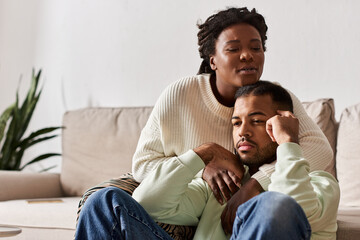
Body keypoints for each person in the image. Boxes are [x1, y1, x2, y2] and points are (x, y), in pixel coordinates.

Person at [75, 81, 339, 239]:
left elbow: (295, 209)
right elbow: (149, 204)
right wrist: (203, 154)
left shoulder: (321, 184)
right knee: (105, 202)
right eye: (237, 122)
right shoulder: (224, 185)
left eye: (257, 121)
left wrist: (288, 143)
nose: (243, 131)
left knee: (273, 205)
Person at [132, 7, 333, 208]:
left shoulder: (275, 97)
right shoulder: (180, 94)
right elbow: (142, 165)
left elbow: (320, 149)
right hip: (180, 204)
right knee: (109, 200)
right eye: (234, 49)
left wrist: (257, 183)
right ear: (213, 61)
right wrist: (200, 166)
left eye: (256, 48)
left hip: (231, 212)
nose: (247, 55)